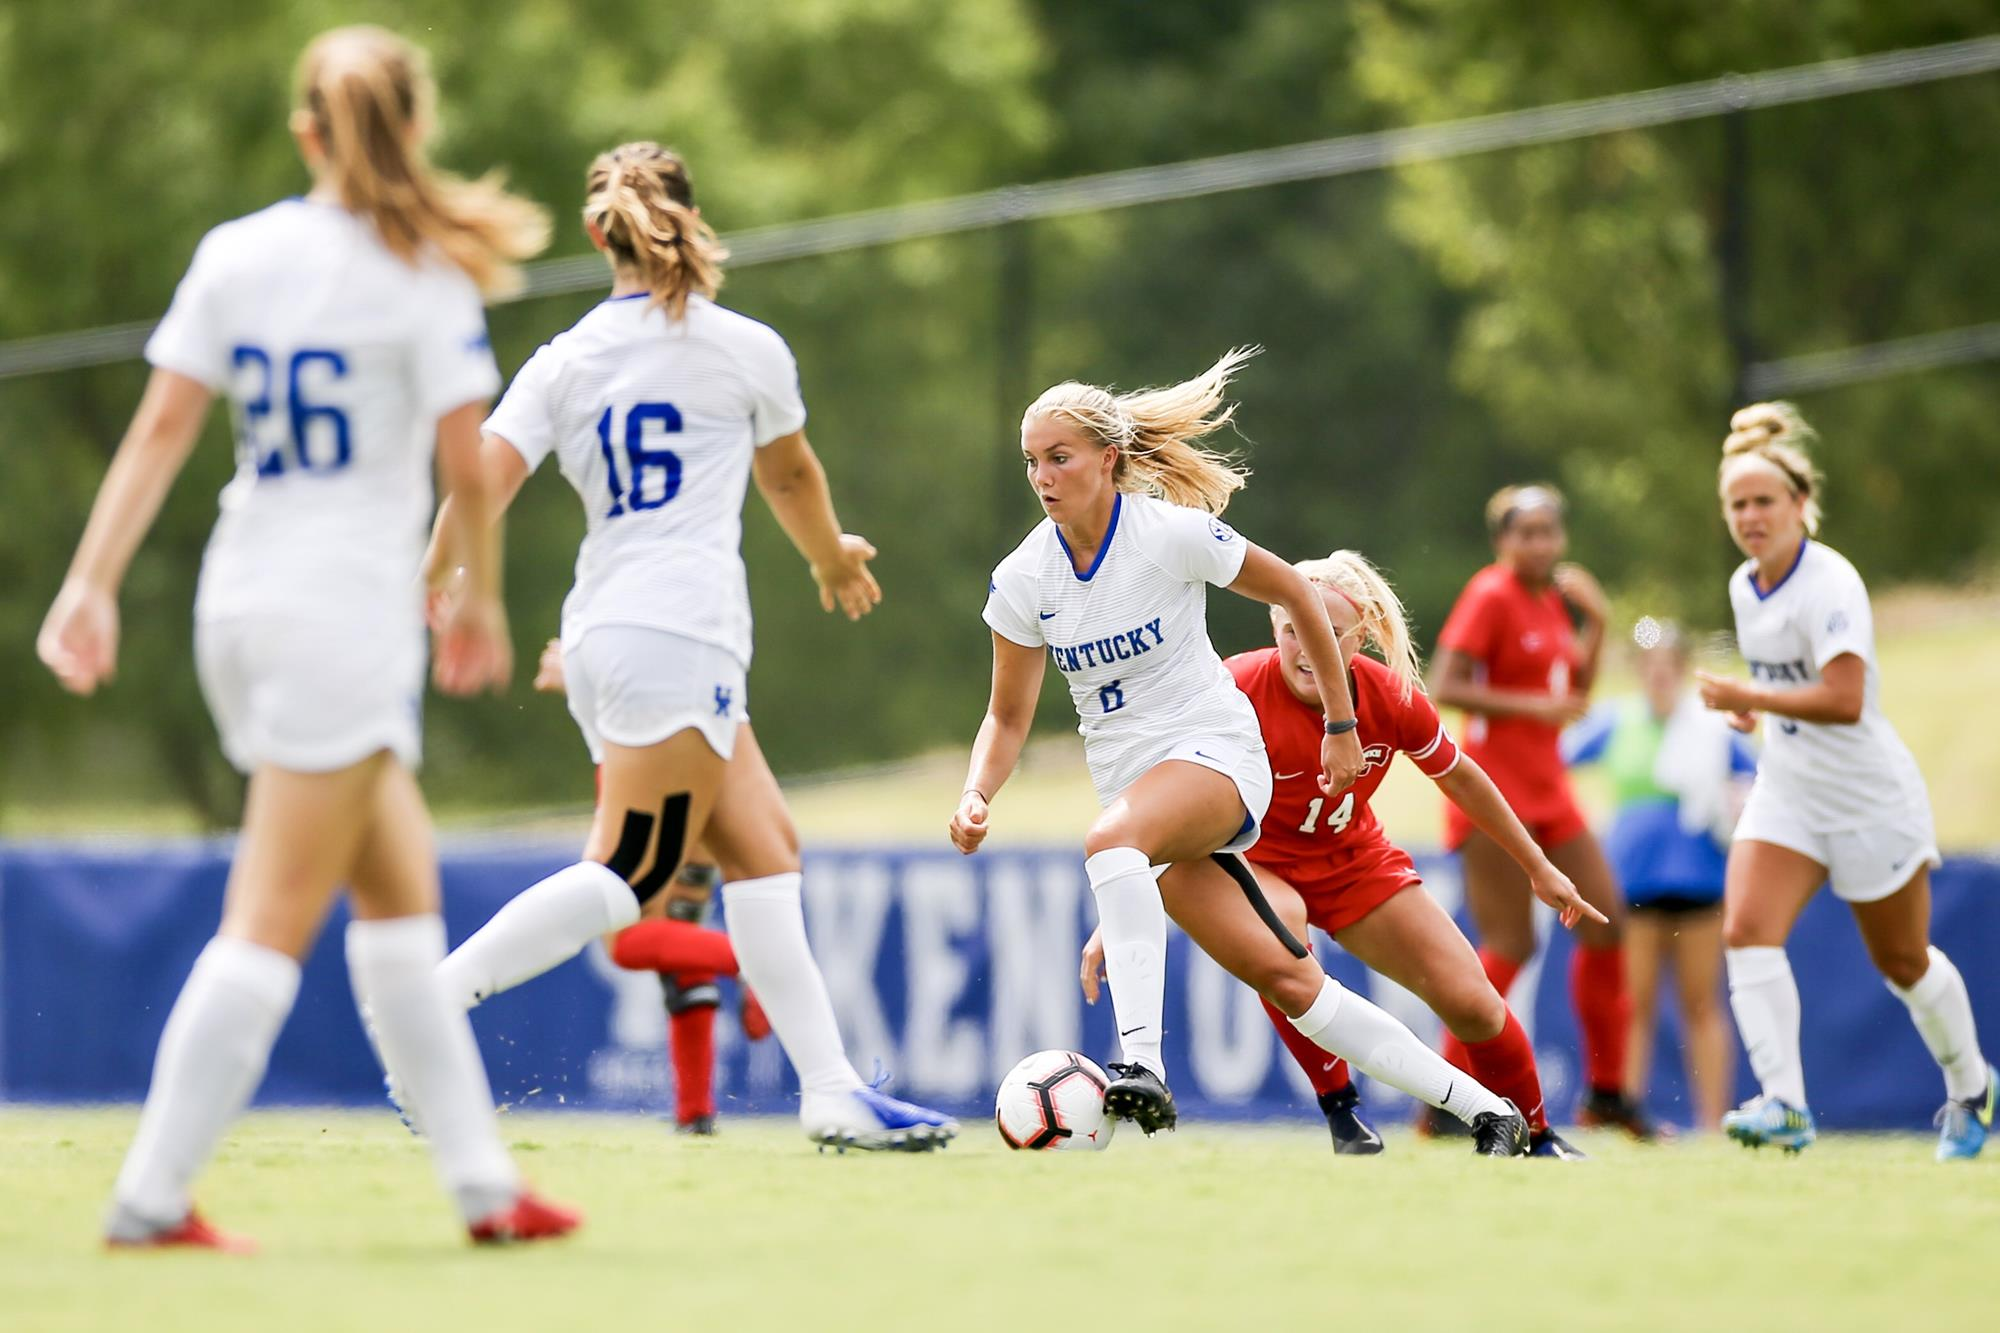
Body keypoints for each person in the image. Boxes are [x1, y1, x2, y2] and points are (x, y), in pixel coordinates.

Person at [34, 26, 577, 1249]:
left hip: (240, 599)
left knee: (398, 902)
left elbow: (164, 430)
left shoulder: (238, 253)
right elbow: (465, 470)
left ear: (305, 132)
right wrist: (479, 598)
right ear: (413, 127)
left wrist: (90, 582)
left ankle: (484, 1188)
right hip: (339, 618)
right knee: (269, 920)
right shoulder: (423, 276)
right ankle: (149, 1195)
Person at [419, 142, 955, 1151]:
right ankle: (430, 1009)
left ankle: (830, 1090)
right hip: (678, 634)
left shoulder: (564, 358)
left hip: (607, 632)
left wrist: (438, 571)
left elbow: (478, 478)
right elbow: (789, 478)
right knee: (630, 870)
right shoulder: (743, 346)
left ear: (596, 234)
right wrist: (831, 556)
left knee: (763, 851)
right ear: (694, 218)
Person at [950, 349, 1568, 1157]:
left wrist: (1342, 723)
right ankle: (1487, 1109)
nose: (1042, 474)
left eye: (1058, 456)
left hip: (1214, 758)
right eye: (1031, 460)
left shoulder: (1167, 534)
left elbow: (1296, 592)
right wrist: (976, 791)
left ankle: (1142, 1065)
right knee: (1295, 984)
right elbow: (1006, 716)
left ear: (1109, 460)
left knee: (1108, 838)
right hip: (1145, 804)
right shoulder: (1024, 577)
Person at [1081, 550, 1598, 1158]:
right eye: (1294, 628)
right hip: (1255, 862)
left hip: (1355, 863)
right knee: (1285, 938)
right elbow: (1159, 798)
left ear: (1365, 631)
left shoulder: (1391, 696)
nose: (1307, 646)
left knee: (1475, 1005)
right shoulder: (1235, 687)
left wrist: (1537, 865)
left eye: (1328, 629)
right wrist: (1118, 911)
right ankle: (1342, 1111)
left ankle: (1536, 1137)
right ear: (1275, 626)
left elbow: (1461, 777)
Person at [1696, 402, 1995, 1158]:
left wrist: (1750, 697)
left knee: (1903, 960)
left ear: (1802, 505)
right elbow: (1785, 693)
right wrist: (1753, 715)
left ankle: (1972, 1089)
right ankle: (1787, 1104)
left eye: (1765, 501)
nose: (1751, 516)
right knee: (1746, 929)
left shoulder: (1832, 582)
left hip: (1867, 797)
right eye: (1738, 504)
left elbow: (1844, 697)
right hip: (1791, 789)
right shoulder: (1743, 585)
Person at [1429, 484, 1652, 1137]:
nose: (1539, 544)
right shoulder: (1491, 593)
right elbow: (1444, 685)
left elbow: (1573, 697)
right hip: (1493, 795)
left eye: (1549, 531)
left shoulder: (1555, 601)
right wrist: (1534, 708)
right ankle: (1444, 1092)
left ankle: (1608, 1093)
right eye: (1525, 533)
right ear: (1502, 541)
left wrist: (1601, 623)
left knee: (1607, 923)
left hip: (1550, 793)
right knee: (1512, 942)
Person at [531, 639, 772, 1134]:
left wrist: (580, 677)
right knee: (681, 963)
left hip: (664, 795)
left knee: (625, 941)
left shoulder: (652, 635)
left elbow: (641, 698)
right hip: (694, 793)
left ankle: (756, 962)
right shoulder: (706, 638)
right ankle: (695, 1112)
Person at [1563, 621, 1753, 1131]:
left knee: (1701, 1004)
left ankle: (1713, 1123)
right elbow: (1557, 760)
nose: (1659, 676)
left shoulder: (1709, 728)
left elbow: (1749, 784)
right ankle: (1626, 1112)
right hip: (1633, 886)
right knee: (1635, 1005)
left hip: (1700, 886)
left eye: (1668, 666)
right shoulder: (1616, 721)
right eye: (1650, 666)